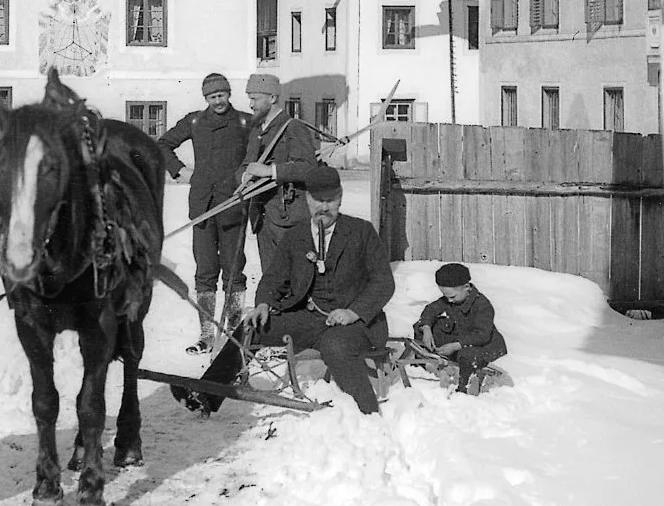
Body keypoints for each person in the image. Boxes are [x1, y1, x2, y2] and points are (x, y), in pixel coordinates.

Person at [178, 164, 393, 415]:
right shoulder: (297, 235)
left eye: (330, 201)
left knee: (336, 346)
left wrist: (353, 312)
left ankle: (368, 413)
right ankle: (206, 394)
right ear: (308, 199)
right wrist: (263, 303)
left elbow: (383, 282)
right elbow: (274, 278)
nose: (324, 207)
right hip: (310, 318)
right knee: (251, 327)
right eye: (317, 200)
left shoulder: (361, 231)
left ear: (340, 198)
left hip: (355, 324)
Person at [157, 72, 253, 352]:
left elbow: (261, 154)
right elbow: (163, 144)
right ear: (206, 99)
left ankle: (234, 337)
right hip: (202, 209)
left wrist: (248, 175)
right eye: (212, 97)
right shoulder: (195, 121)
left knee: (234, 271)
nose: (218, 101)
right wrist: (179, 170)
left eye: (221, 95)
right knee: (205, 271)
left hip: (233, 206)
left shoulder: (246, 123)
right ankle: (207, 335)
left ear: (228, 94)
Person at [239, 72, 321, 280]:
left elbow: (309, 168)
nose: (251, 105)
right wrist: (244, 177)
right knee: (271, 277)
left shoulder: (293, 126)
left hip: (290, 216)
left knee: (294, 276)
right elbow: (248, 164)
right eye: (250, 98)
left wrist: (271, 171)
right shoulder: (257, 128)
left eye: (255, 98)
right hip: (262, 215)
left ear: (273, 98)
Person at [414, 263, 509, 396]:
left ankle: (465, 387)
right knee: (421, 326)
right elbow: (431, 310)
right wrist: (426, 327)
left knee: (467, 355)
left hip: (484, 345)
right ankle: (422, 364)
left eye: (452, 297)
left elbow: (482, 335)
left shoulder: (483, 306)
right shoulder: (451, 299)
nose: (449, 300)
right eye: (445, 296)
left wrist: (455, 345)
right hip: (460, 339)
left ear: (466, 287)